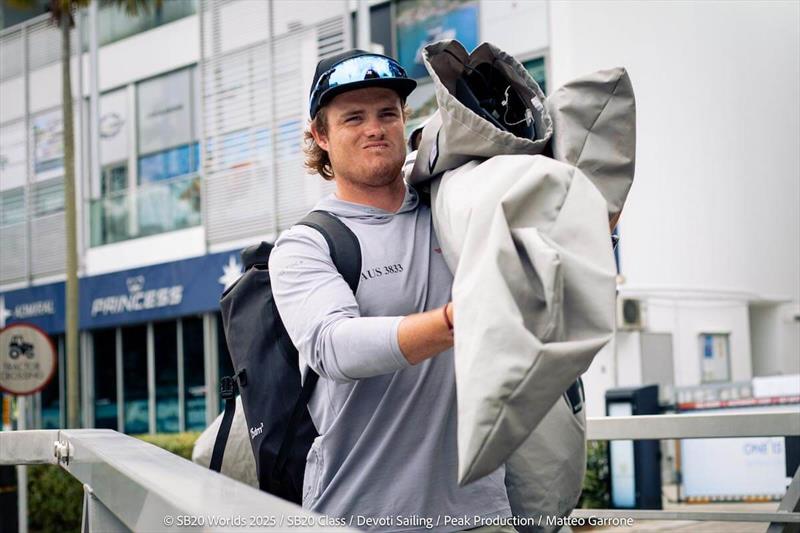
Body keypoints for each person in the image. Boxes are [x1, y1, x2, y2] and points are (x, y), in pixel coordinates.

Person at [269, 50, 514, 533]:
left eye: (387, 113)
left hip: (480, 512)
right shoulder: (307, 244)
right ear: (320, 135)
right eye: (352, 118)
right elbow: (334, 347)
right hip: (359, 516)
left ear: (404, 119)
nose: (374, 128)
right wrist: (452, 322)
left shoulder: (454, 206)